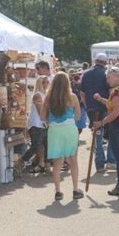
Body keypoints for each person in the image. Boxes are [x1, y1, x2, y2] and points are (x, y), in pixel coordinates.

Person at [93, 67, 119, 196]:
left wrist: (101, 123)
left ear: (117, 77)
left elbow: (116, 112)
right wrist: (101, 99)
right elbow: (115, 106)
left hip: (118, 128)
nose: (107, 80)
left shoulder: (117, 91)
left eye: (109, 77)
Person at [41, 72, 83, 201]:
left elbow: (42, 116)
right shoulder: (72, 97)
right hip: (70, 129)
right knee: (73, 161)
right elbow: (78, 116)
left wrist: (51, 120)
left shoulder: (48, 98)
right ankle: (75, 189)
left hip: (55, 130)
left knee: (57, 162)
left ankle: (58, 191)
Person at [80, 53, 116, 173]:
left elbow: (82, 94)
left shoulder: (86, 74)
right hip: (105, 108)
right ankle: (110, 161)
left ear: (95, 61)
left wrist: (87, 107)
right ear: (105, 63)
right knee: (110, 134)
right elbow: (112, 92)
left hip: (91, 109)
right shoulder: (106, 74)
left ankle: (100, 164)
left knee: (97, 136)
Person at [22, 76, 49, 173]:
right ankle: (23, 160)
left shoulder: (44, 94)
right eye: (45, 82)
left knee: (43, 145)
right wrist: (46, 121)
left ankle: (42, 164)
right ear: (40, 83)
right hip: (36, 124)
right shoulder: (38, 95)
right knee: (36, 145)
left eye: (47, 82)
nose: (47, 84)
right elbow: (40, 111)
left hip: (41, 124)